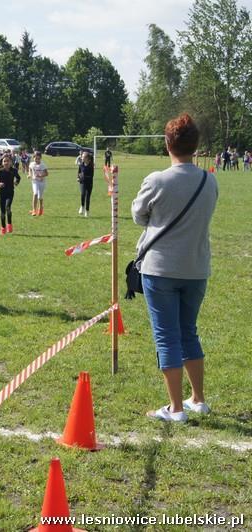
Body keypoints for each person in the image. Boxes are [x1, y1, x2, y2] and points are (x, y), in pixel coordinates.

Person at [131, 113, 218, 423]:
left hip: (161, 269)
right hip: (196, 268)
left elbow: (139, 216)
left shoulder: (156, 180)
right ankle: (198, 399)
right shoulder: (210, 180)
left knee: (167, 337)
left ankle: (175, 408)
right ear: (195, 146)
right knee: (189, 332)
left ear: (168, 144)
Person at [0, 153, 20, 234]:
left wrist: (16, 182)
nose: (6, 163)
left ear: (11, 162)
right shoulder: (0, 171)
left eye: (8, 161)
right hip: (2, 193)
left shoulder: (14, 170)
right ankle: (3, 228)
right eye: (4, 161)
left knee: (8, 208)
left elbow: (18, 177)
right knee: (2, 212)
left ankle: (9, 225)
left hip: (10, 193)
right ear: (2, 162)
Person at [28, 151, 48, 216]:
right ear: (33, 158)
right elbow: (30, 169)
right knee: (35, 193)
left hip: (42, 182)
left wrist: (41, 176)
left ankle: (41, 207)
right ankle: (34, 210)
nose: (37, 160)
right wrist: (29, 175)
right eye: (35, 158)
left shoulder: (43, 165)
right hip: (35, 181)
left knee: (40, 197)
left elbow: (47, 173)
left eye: (38, 158)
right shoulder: (31, 164)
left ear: (41, 158)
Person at [77, 152, 95, 217]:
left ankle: (87, 211)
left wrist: (83, 176)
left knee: (87, 197)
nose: (82, 158)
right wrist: (78, 178)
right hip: (82, 182)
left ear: (87, 158)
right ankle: (82, 206)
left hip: (89, 183)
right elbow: (79, 172)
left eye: (83, 157)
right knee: (82, 194)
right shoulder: (81, 165)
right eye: (82, 157)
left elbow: (91, 176)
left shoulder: (91, 166)